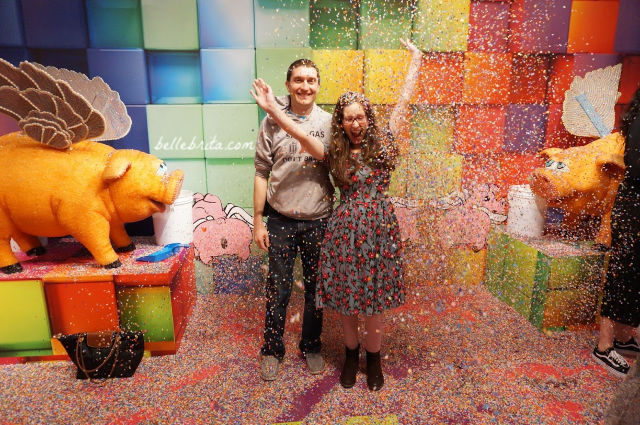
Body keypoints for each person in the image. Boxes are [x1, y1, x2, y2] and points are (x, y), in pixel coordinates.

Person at [251, 39, 422, 390]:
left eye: (360, 117)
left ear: (368, 117)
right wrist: (271, 109)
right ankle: (349, 355)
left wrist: (416, 62)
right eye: (349, 118)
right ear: (341, 123)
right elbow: (297, 132)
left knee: (374, 298)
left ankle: (373, 360)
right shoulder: (334, 151)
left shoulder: (386, 142)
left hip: (378, 228)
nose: (355, 123)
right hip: (343, 228)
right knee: (345, 297)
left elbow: (405, 101)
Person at [252, 59, 335, 381]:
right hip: (281, 220)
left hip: (319, 220)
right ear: (288, 85)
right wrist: (258, 221)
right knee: (278, 289)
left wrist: (276, 110)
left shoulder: (328, 123)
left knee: (317, 290)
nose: (305, 86)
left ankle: (311, 346)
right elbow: (261, 172)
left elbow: (326, 159)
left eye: (311, 80)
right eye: (298, 80)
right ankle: (272, 350)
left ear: (318, 85)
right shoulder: (270, 123)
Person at [592, 86, 640, 377]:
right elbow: (636, 166)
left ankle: (623, 338)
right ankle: (604, 345)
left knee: (635, 274)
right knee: (622, 272)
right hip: (634, 210)